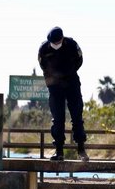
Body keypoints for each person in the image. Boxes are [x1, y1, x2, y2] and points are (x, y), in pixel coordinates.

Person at [38, 26, 89, 162]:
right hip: (55, 86)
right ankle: (59, 151)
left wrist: (68, 73)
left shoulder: (72, 44)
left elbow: (80, 60)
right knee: (58, 119)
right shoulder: (44, 49)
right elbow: (43, 66)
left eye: (57, 42)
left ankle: (81, 150)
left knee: (77, 117)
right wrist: (53, 81)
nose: (55, 45)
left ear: (62, 38)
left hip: (71, 83)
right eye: (53, 43)